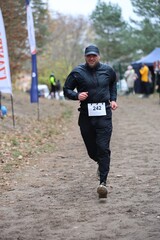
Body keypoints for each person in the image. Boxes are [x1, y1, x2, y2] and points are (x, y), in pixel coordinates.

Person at [63, 45, 118, 198]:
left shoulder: (108, 71)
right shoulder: (77, 72)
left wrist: (113, 99)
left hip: (104, 115)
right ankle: (100, 163)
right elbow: (66, 89)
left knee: (103, 147)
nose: (91, 58)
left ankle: (103, 183)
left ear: (98, 56)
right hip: (86, 116)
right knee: (92, 151)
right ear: (85, 57)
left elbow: (113, 84)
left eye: (94, 55)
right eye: (89, 56)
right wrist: (76, 95)